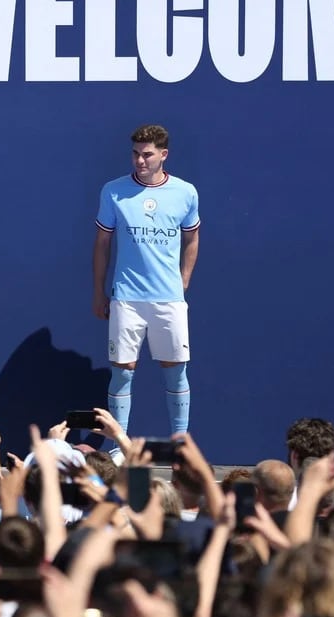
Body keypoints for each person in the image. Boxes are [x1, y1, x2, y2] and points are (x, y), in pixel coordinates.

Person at [92, 124, 200, 460]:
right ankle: (118, 447)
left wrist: (183, 281)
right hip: (126, 297)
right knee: (122, 370)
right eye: (136, 153)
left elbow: (192, 237)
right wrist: (99, 291)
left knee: (175, 369)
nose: (140, 160)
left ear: (163, 155)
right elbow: (102, 244)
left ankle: (180, 445)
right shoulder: (113, 191)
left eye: (147, 154)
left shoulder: (185, 192)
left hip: (168, 299)